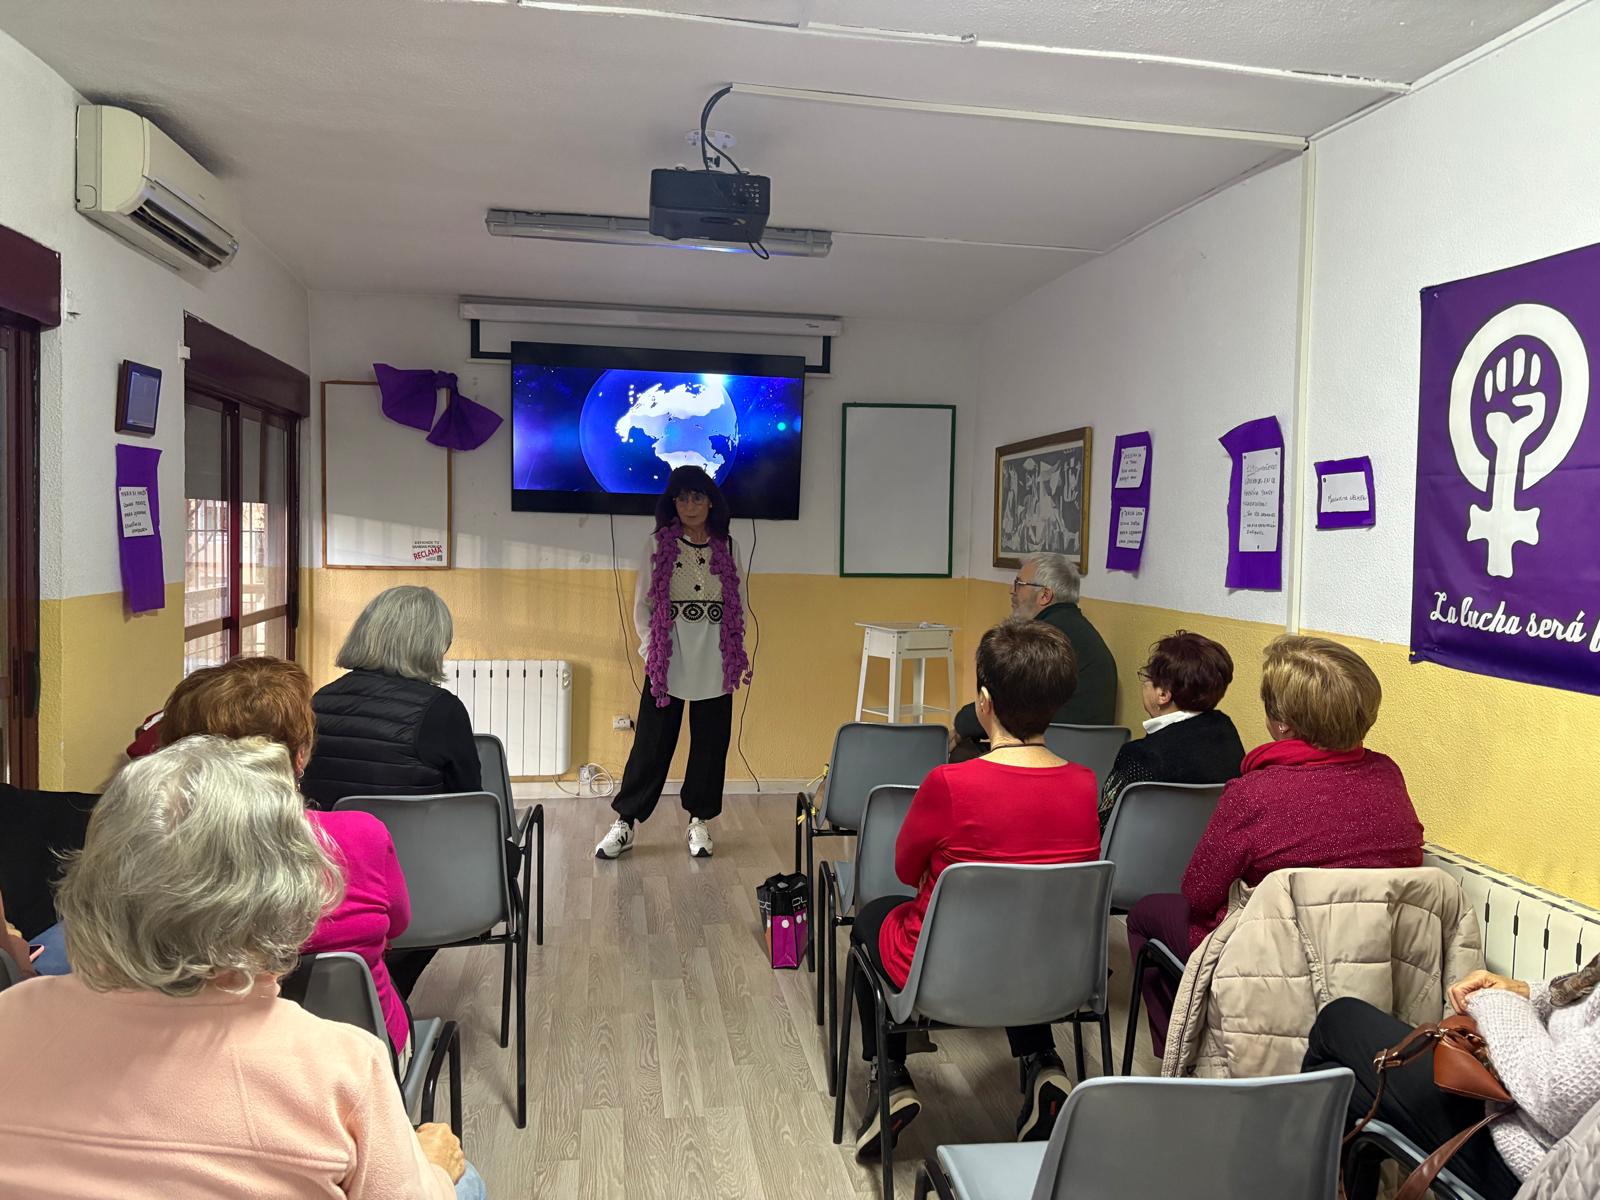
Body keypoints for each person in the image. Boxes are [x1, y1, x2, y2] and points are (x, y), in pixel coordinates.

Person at [0, 736, 482, 1199]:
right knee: (463, 1178)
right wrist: (436, 1170)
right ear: (286, 895)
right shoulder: (343, 1066)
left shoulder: (11, 1014)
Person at [848, 619, 1102, 1160]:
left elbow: (903, 869)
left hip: (948, 973)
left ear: (984, 702)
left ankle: (890, 1078)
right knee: (1022, 925)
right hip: (1051, 970)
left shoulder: (950, 783)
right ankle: (1044, 1064)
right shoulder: (1085, 785)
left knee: (871, 920)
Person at [1126, 634, 1424, 1056]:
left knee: (1145, 914)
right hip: (1371, 959)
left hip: (1270, 960)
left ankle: (1184, 1055)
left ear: (1281, 722)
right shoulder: (1388, 775)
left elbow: (1198, 894)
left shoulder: (1255, 792)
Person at [1303, 955, 1600, 1200]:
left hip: (1541, 1167)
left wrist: (1496, 1001)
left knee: (1339, 1020)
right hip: (1532, 1119)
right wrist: (1531, 992)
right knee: (1347, 1091)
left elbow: (1556, 1095)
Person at [595, 465, 751, 862]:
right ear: (672, 502)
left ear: (711, 502)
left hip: (715, 658)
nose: (689, 506)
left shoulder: (728, 546)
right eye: (682, 498)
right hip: (669, 657)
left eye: (697, 497)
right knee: (651, 743)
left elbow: (739, 601)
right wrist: (652, 652)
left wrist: (733, 649)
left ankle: (699, 819)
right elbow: (642, 605)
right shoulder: (657, 545)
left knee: (711, 743)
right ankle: (625, 821)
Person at [300, 585, 481, 810]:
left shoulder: (319, 701)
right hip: (416, 833)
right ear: (430, 646)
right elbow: (469, 800)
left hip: (332, 833)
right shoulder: (442, 710)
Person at [949, 554, 1115, 761]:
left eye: (1019, 584)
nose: (1012, 591)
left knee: (962, 754)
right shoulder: (1081, 631)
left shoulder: (1041, 641)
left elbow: (1002, 703)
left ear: (1045, 595)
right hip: (1095, 756)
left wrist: (961, 725)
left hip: (1052, 752)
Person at [1097, 630, 1246, 826]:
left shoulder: (1140, 756)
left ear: (1163, 694)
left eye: (1146, 677)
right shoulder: (1226, 731)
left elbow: (1106, 824)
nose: (1144, 684)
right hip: (1212, 844)